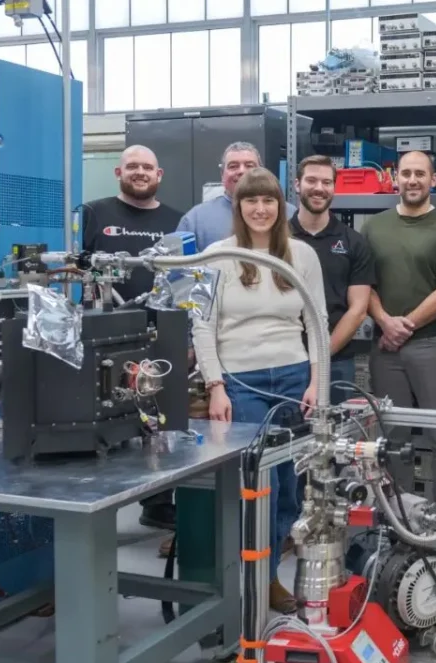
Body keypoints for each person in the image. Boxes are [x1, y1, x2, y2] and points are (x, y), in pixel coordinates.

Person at [190, 167, 327, 614]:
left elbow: (317, 321)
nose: (261, 209)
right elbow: (201, 324)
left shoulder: (301, 255)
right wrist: (215, 386)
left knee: (288, 488)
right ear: (238, 206)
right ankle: (248, 579)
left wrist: (317, 381)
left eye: (269, 200)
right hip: (240, 383)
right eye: (251, 200)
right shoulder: (217, 255)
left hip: (293, 378)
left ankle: (266, 577)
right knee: (254, 488)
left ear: (281, 207)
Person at [80, 144, 184, 538]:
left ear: (159, 175)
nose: (140, 172)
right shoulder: (93, 214)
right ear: (118, 172)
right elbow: (77, 268)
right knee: (105, 419)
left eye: (147, 167)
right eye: (132, 166)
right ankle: (98, 504)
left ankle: (158, 502)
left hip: (161, 336)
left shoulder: (176, 219)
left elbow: (184, 280)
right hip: (105, 339)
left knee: (160, 421)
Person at [365, 150, 436, 517]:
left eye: (420, 173)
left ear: (433, 179)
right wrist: (385, 322)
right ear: (395, 179)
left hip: (434, 344)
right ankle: (400, 521)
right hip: (385, 348)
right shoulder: (373, 227)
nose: (412, 180)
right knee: (393, 438)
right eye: (406, 173)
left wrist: (402, 327)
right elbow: (364, 284)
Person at [288, 155, 375, 403]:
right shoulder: (279, 239)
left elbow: (358, 310)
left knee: (336, 425)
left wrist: (321, 355)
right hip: (285, 361)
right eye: (311, 180)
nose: (319, 188)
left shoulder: (354, 242)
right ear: (297, 184)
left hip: (336, 360)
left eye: (326, 182)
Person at [176, 141, 297, 251]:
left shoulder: (289, 214)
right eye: (233, 166)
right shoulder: (195, 220)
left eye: (249, 166)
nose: (241, 171)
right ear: (222, 174)